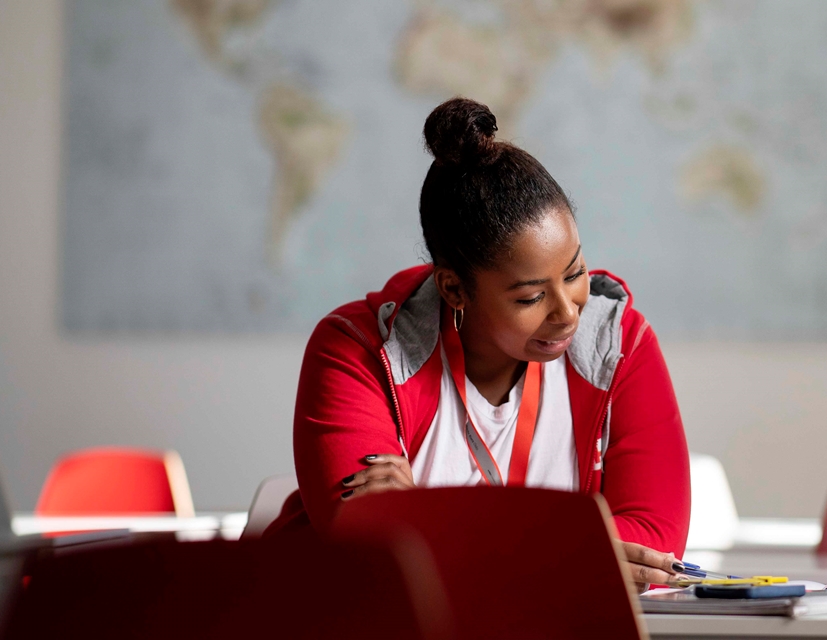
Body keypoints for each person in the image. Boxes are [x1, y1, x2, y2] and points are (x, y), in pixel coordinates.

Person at [266, 98, 691, 588]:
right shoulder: (354, 351)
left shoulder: (618, 346)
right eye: (531, 296)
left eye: (575, 272)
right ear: (454, 289)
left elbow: (653, 542)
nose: (569, 310)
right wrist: (572, 555)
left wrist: (429, 521)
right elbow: (367, 548)